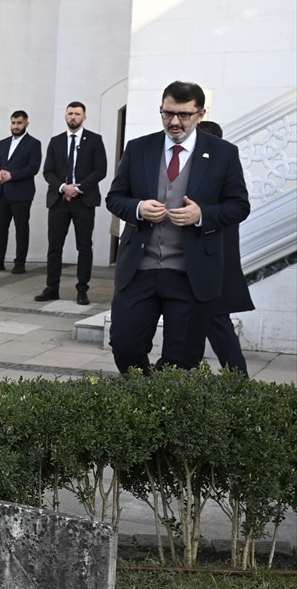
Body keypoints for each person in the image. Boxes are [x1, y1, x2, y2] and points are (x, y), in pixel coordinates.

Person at [106, 81, 251, 373]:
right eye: (167, 113)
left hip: (190, 275)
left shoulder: (223, 153)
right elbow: (115, 198)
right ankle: (145, 397)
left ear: (200, 114)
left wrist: (202, 214)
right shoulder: (138, 148)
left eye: (183, 115)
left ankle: (162, 408)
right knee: (125, 346)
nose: (174, 122)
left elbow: (239, 206)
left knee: (181, 361)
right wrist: (138, 208)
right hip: (139, 270)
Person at [196, 119, 254, 376]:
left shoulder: (221, 169)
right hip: (198, 266)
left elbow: (236, 209)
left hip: (214, 265)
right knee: (195, 326)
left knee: (217, 323)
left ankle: (238, 380)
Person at [36, 101, 107, 305]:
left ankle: (82, 289)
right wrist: (63, 187)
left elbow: (100, 170)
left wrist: (77, 188)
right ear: (65, 116)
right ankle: (52, 288)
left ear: (84, 117)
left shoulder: (94, 140)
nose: (73, 117)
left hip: (84, 201)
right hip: (58, 201)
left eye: (77, 114)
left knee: (84, 246)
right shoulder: (56, 141)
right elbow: (47, 171)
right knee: (54, 246)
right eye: (70, 114)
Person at [0, 110, 40, 274]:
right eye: (13, 123)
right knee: (0, 229)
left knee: (21, 229)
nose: (16, 126)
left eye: (19, 123)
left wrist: (12, 175)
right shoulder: (3, 142)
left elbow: (33, 168)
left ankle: (20, 263)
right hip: (1, 192)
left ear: (26, 123)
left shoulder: (33, 143)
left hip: (22, 194)